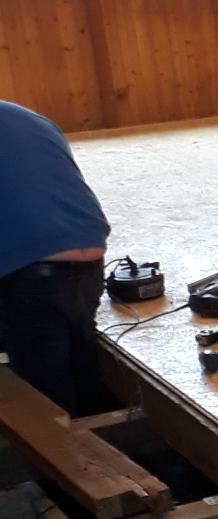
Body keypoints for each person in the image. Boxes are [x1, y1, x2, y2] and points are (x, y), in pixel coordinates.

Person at [0, 98, 111, 416]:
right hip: (89, 256)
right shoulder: (29, 117)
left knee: (48, 406)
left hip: (28, 268)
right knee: (80, 377)